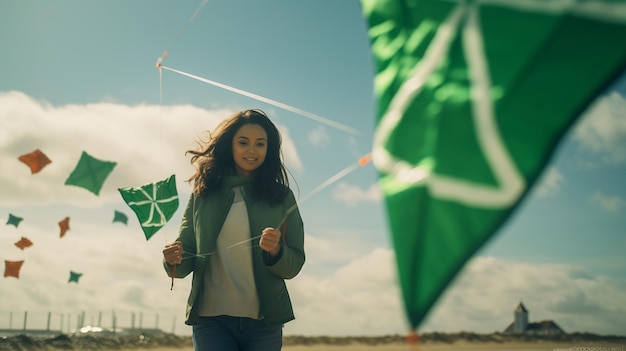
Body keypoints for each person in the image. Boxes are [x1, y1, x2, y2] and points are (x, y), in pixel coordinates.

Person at [162, 109, 305, 351]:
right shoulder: (203, 192)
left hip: (264, 322)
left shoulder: (281, 196)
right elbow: (185, 255)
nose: (252, 150)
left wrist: (276, 251)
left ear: (268, 150)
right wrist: (172, 259)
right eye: (243, 142)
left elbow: (294, 264)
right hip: (211, 319)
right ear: (230, 145)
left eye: (260, 144)